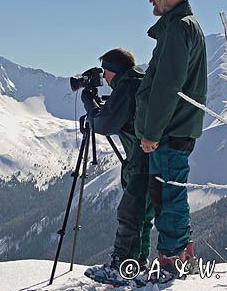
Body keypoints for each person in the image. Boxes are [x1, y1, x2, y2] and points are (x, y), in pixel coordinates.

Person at [135, 0, 207, 283]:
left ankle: (170, 262)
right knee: (169, 191)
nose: (150, 0)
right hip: (178, 126)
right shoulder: (183, 27)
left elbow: (167, 86)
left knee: (167, 194)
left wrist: (151, 132)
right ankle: (182, 253)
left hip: (170, 128)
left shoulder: (178, 29)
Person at [81, 48, 154, 287]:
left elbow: (104, 124)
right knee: (142, 215)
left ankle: (121, 267)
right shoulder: (139, 81)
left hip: (142, 162)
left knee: (130, 213)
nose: (104, 78)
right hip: (153, 161)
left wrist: (90, 104)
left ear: (114, 71)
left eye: (105, 72)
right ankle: (137, 264)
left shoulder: (127, 86)